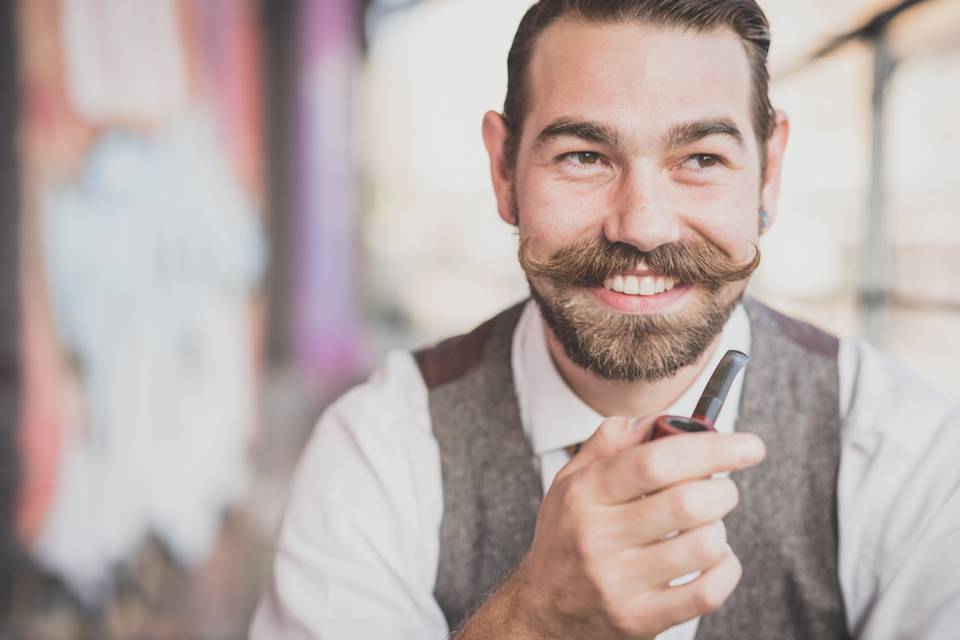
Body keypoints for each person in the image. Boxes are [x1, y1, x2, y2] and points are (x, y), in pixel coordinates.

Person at [251, 1, 960, 638]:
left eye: (701, 158)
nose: (642, 227)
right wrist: (535, 622)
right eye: (584, 156)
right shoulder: (379, 448)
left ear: (768, 174)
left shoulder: (901, 448)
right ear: (504, 171)